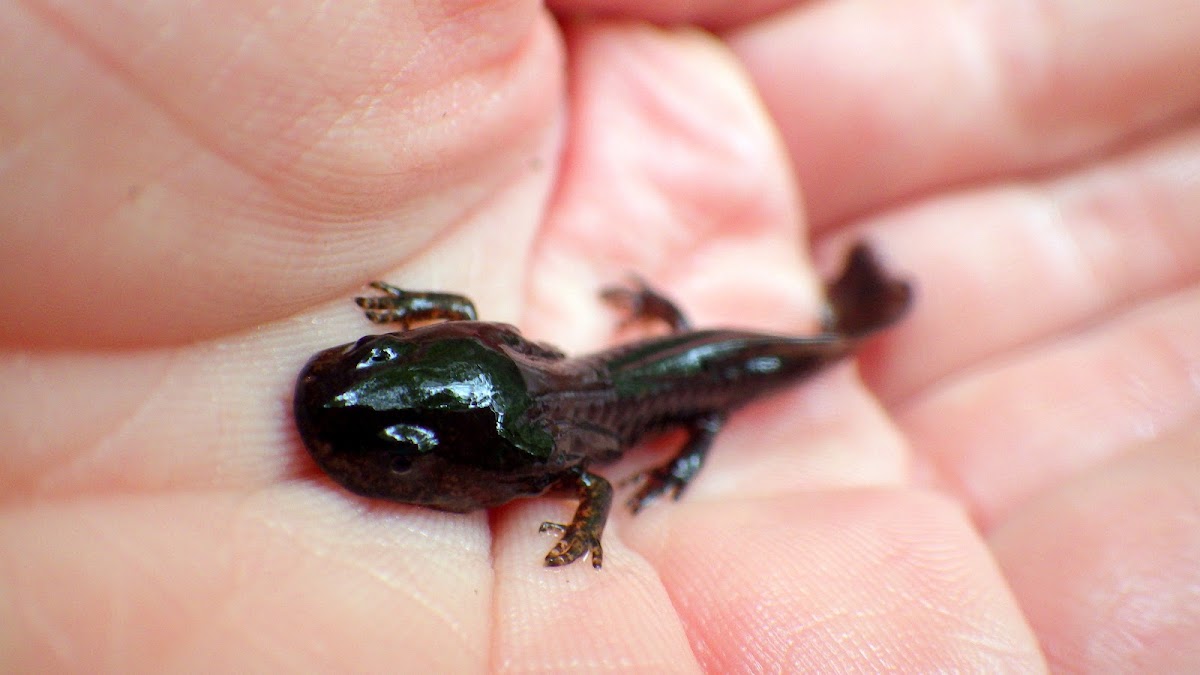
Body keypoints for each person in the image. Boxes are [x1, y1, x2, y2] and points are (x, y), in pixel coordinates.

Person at [3, 1, 1198, 670]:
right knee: (699, 371)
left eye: (409, 439)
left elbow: (569, 455)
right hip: (633, 363)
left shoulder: (565, 450)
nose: (374, 388)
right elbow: (477, 326)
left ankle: (845, 330)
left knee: (714, 393)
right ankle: (824, 324)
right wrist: (418, 323)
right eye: (388, 362)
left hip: (679, 374)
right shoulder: (513, 370)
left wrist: (652, 476)